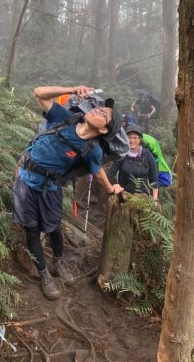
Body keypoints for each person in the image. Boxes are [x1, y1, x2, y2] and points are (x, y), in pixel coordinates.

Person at [13, 84, 124, 300]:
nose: (97, 110)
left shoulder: (92, 150)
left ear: (103, 130)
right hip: (26, 180)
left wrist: (111, 188)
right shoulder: (65, 118)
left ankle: (59, 260)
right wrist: (72, 89)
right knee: (32, 230)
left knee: (54, 227)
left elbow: (98, 171)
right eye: (100, 108)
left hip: (50, 187)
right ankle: (44, 274)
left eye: (103, 114)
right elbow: (38, 93)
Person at [109, 124, 158, 201]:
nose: (132, 140)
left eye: (135, 138)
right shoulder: (122, 154)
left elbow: (154, 180)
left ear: (140, 140)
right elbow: (111, 174)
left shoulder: (148, 156)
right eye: (129, 137)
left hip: (143, 197)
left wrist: (155, 199)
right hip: (123, 194)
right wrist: (115, 185)